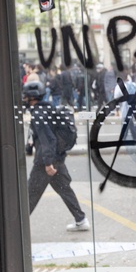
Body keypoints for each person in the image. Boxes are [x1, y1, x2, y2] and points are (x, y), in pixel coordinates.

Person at [23, 81, 89, 231]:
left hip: (45, 162)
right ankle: (81, 220)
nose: (24, 99)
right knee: (65, 190)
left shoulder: (38, 114)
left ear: (32, 97)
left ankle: (17, 227)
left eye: (26, 96)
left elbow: (49, 139)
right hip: (57, 158)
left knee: (30, 195)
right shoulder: (48, 108)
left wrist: (48, 163)